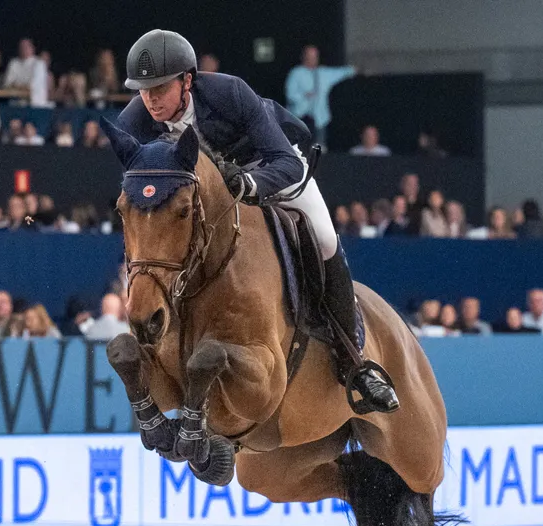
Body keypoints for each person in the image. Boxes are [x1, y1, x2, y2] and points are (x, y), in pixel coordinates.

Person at [117, 29, 395, 412]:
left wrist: (248, 185)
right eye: (143, 89)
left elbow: (283, 161)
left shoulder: (229, 94)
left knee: (324, 236)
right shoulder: (134, 122)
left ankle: (354, 362)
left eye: (160, 88)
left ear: (187, 81)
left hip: (269, 166)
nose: (150, 99)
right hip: (202, 193)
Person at [284, 45, 354, 146]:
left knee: (319, 149)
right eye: (309, 56)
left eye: (314, 56)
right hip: (299, 119)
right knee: (298, 149)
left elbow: (341, 72)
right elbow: (290, 94)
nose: (312, 59)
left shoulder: (323, 73)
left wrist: (356, 69)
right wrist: (304, 96)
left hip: (319, 120)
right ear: (303, 57)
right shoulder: (296, 73)